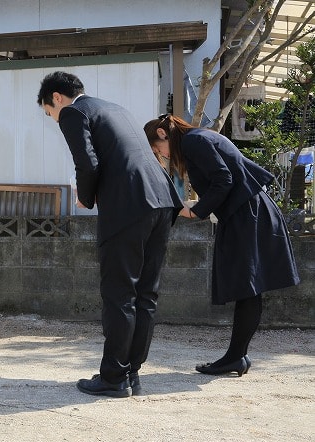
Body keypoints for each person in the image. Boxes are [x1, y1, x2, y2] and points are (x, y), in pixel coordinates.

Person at [37, 71, 183, 397]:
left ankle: (114, 377)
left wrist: (85, 198)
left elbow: (87, 164)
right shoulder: (115, 108)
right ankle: (131, 373)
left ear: (57, 98)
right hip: (161, 201)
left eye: (49, 112)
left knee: (120, 294)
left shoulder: (74, 112)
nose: (53, 117)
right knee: (146, 294)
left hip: (128, 207)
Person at [143, 114, 300, 376]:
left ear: (162, 134)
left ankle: (236, 357)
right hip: (247, 211)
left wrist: (196, 211)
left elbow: (223, 178)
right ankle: (236, 356)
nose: (164, 156)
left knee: (248, 287)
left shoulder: (194, 141)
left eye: (158, 150)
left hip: (247, 213)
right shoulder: (198, 139)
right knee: (247, 287)